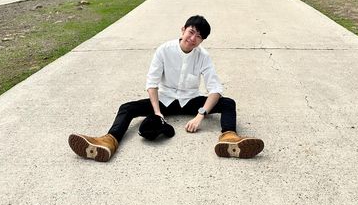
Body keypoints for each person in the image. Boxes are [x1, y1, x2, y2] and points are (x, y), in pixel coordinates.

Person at [68, 15, 264, 162]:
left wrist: (200, 115)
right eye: (191, 32)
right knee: (127, 108)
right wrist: (157, 113)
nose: (193, 38)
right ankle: (108, 142)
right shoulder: (164, 50)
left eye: (199, 36)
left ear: (202, 40)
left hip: (190, 101)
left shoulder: (203, 55)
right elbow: (152, 84)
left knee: (228, 103)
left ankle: (229, 138)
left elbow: (215, 89)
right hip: (165, 100)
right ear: (183, 30)